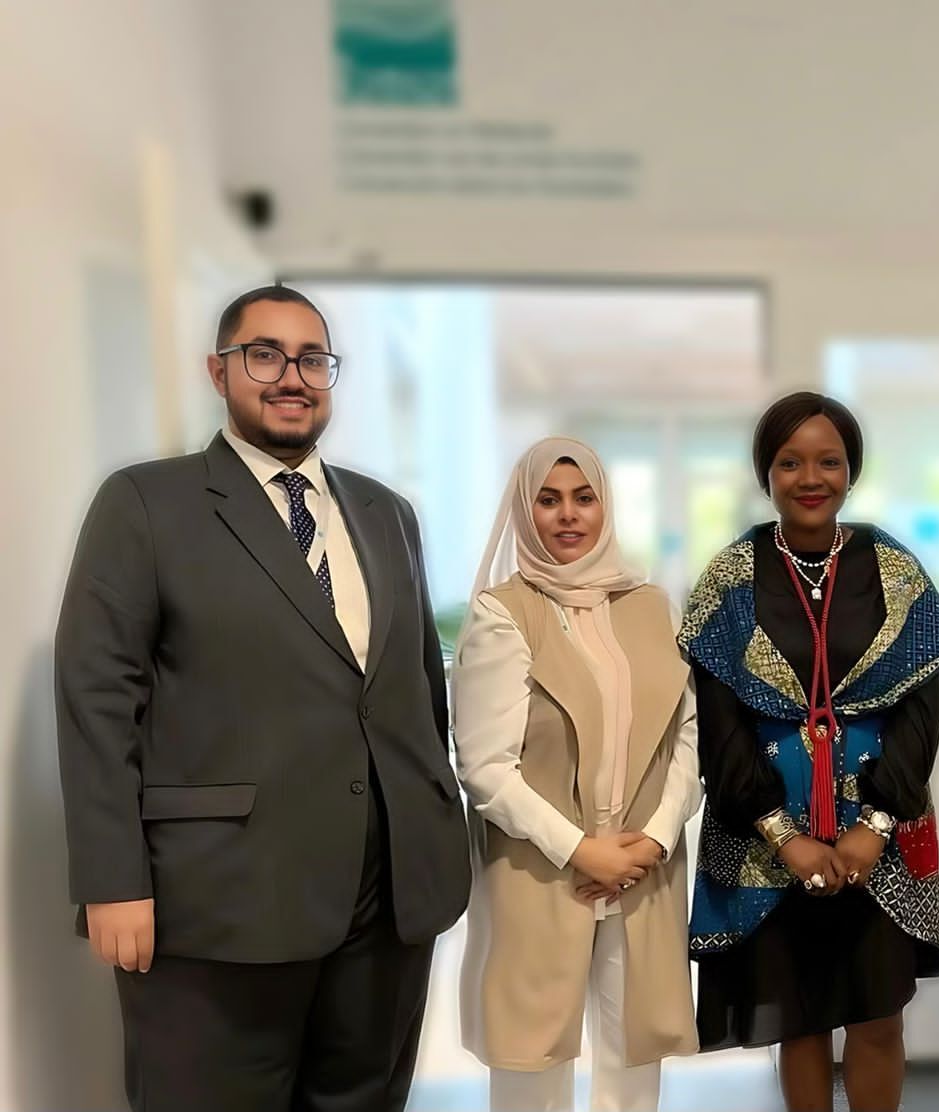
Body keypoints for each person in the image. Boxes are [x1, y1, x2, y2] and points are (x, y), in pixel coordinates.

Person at [54, 285, 471, 1111]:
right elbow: (97, 702)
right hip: (218, 902)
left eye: (313, 359)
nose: (292, 377)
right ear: (219, 372)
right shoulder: (145, 503)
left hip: (385, 905)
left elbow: (418, 688)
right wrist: (111, 880)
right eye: (265, 355)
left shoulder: (386, 513)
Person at [680, 392, 939, 1112]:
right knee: (798, 1025)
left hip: (880, 840)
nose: (811, 478)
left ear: (851, 471)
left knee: (878, 1018)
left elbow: (921, 709)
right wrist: (786, 837)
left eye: (828, 461)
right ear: (765, 474)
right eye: (790, 462)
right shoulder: (728, 578)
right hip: (766, 843)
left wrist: (876, 825)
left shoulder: (893, 569)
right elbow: (719, 726)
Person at [453, 438, 701, 1112]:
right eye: (548, 499)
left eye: (584, 498)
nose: (568, 515)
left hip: (644, 866)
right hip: (541, 865)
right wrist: (582, 849)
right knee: (533, 1057)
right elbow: (485, 766)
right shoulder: (504, 613)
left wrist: (655, 838)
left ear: (605, 507)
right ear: (524, 510)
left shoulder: (649, 604)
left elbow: (685, 736)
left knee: (633, 1058)